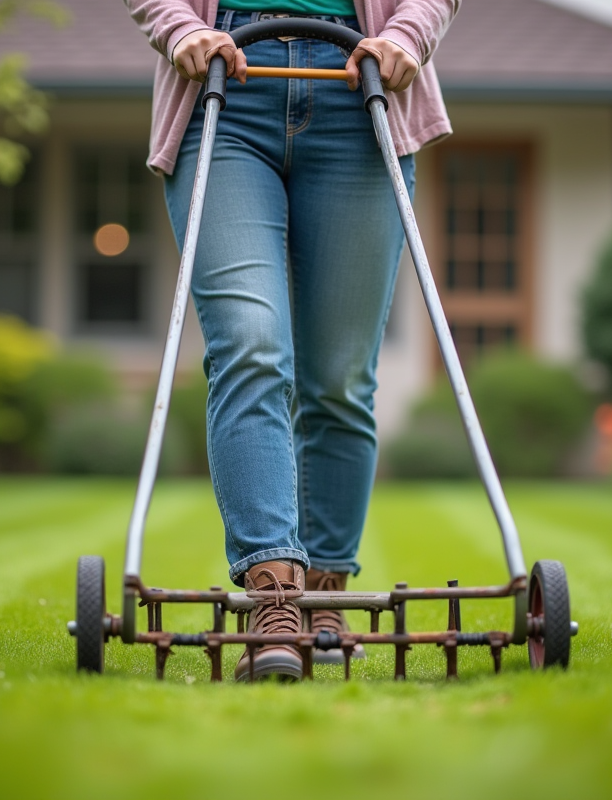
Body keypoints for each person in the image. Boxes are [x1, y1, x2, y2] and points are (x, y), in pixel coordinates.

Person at [126, 0, 458, 681]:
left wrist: (406, 36)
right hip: (224, 89)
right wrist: (180, 28)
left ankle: (326, 599)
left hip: (360, 89)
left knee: (339, 376)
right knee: (250, 343)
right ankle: (275, 599)